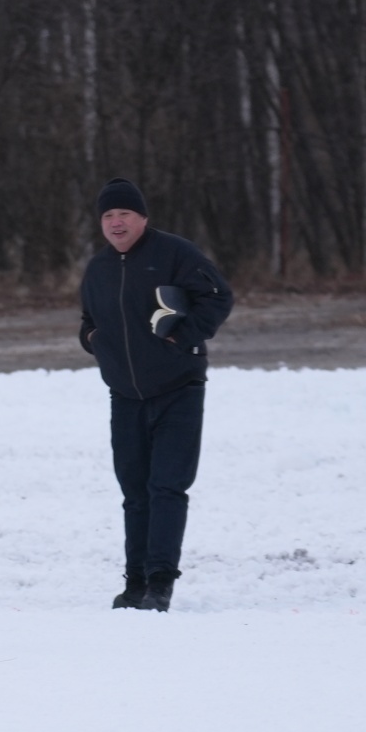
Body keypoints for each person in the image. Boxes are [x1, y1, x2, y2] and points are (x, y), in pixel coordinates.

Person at [77, 177, 234, 612]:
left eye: (124, 213)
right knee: (134, 490)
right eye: (108, 215)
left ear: (143, 217)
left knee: (167, 486)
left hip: (178, 389)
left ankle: (161, 581)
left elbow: (218, 297)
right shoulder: (98, 269)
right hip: (125, 395)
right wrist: (92, 339)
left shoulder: (175, 254)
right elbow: (88, 319)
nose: (116, 222)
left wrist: (183, 336)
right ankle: (135, 582)